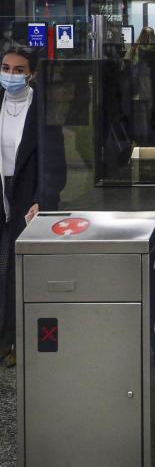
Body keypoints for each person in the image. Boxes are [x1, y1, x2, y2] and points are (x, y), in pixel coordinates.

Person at [0, 48, 46, 367]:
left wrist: (41, 195)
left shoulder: (42, 106)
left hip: (25, 194)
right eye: (5, 68)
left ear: (31, 74)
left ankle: (19, 340)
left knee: (18, 269)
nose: (11, 74)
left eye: (19, 69)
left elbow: (52, 156)